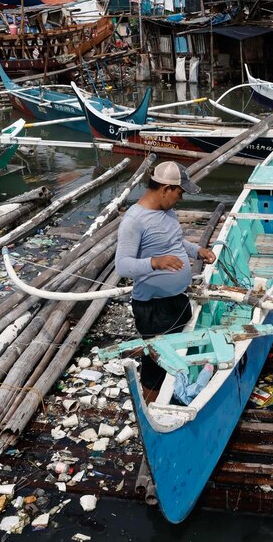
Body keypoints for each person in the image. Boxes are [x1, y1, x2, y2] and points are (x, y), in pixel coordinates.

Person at [115, 161, 216, 392]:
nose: (180, 199)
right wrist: (154, 262)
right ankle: (151, 409)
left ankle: (173, 390)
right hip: (153, 308)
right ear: (165, 189)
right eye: (179, 193)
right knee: (155, 365)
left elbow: (174, 242)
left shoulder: (168, 212)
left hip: (176, 299)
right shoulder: (134, 221)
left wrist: (196, 251)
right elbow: (122, 265)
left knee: (175, 353)